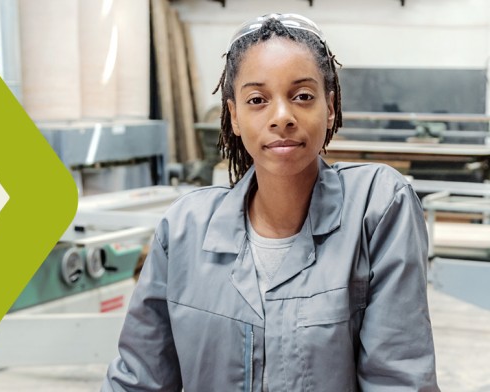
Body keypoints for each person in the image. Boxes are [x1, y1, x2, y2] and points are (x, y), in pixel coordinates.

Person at [102, 13, 438, 391]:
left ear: (329, 108)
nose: (282, 117)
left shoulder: (377, 207)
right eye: (258, 99)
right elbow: (138, 381)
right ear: (234, 116)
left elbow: (398, 379)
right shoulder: (184, 230)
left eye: (302, 96)